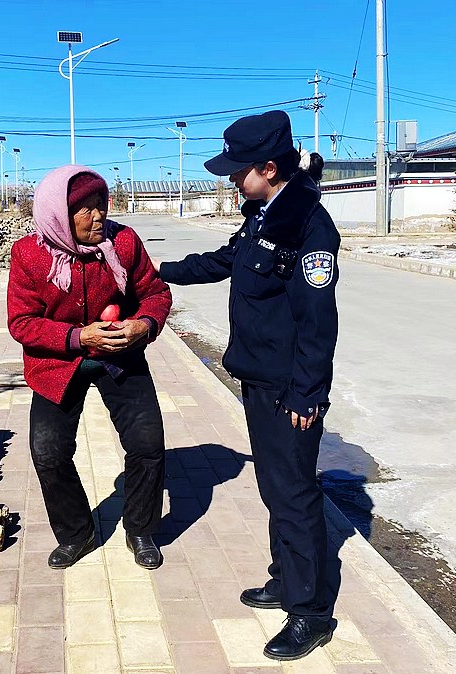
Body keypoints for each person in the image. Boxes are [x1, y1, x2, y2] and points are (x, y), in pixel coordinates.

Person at [156, 110, 340, 661]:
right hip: (260, 379)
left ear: (269, 168)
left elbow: (318, 323)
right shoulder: (265, 216)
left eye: (240, 170)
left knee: (295, 493)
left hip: (289, 389)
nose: (233, 178)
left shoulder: (307, 227)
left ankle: (310, 612)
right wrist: (157, 270)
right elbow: (222, 261)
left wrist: (308, 393)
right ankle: (285, 578)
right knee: (275, 488)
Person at [8, 165, 172, 570]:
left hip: (119, 356)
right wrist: (78, 338)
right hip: (57, 364)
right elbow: (22, 322)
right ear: (59, 214)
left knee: (147, 444)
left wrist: (143, 325)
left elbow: (155, 293)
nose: (99, 216)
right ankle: (76, 533)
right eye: (86, 209)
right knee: (48, 452)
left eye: (101, 205)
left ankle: (140, 529)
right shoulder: (29, 254)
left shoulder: (124, 242)